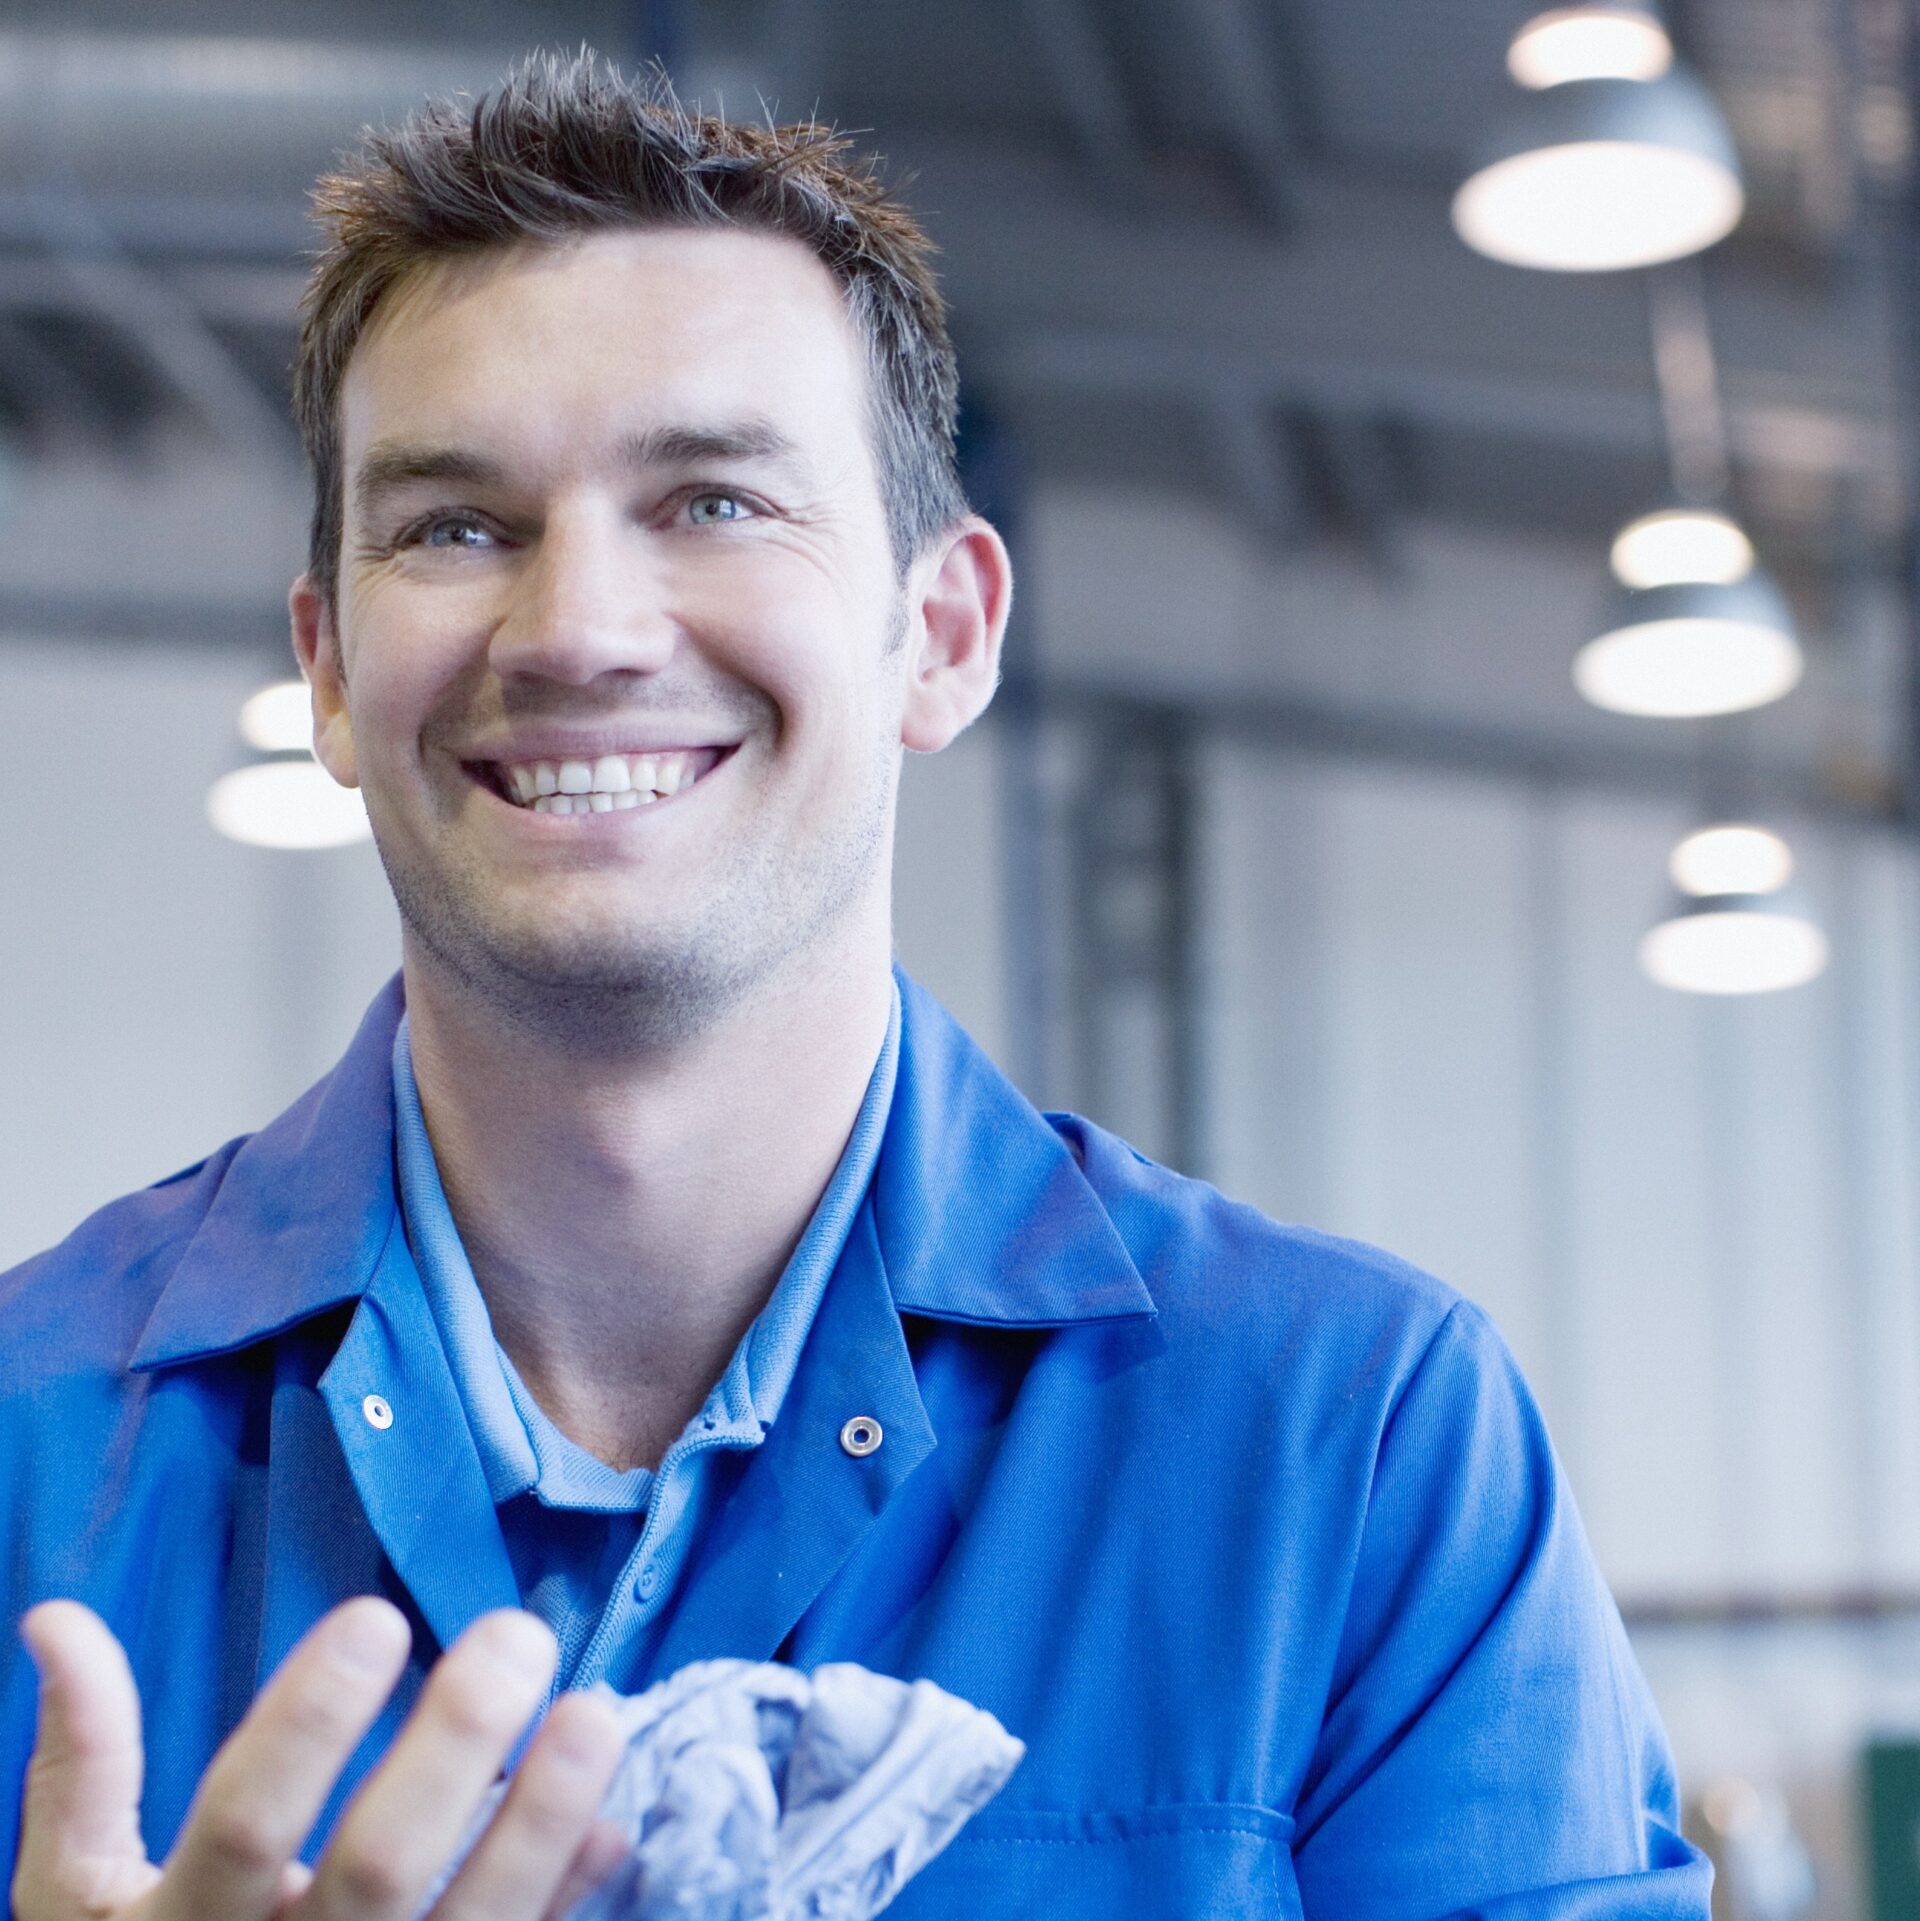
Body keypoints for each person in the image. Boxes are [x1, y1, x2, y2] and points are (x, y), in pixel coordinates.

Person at [0, 52, 1710, 1921]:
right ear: (329, 671)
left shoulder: (1353, 1455)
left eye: (715, 501)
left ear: (942, 632)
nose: (577, 629)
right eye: (456, 526)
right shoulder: (30, 1446)